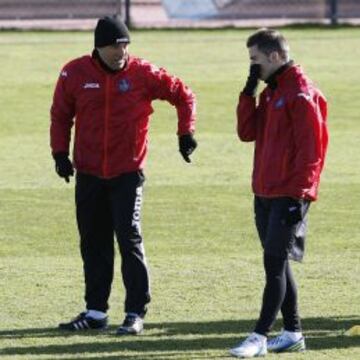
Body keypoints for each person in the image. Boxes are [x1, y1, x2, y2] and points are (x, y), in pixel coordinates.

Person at [50, 15, 197, 335]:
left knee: (129, 239)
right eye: (116, 47)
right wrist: (59, 153)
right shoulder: (73, 72)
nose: (122, 53)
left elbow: (183, 94)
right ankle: (95, 312)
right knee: (93, 241)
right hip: (88, 173)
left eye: (125, 45)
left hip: (127, 173)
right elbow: (61, 116)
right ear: (99, 47)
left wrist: (185, 132)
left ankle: (134, 313)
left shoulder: (143, 73)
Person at [229, 28, 328, 358]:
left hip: (289, 195)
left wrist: (300, 197)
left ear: (274, 56)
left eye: (255, 60)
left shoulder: (301, 93)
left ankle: (258, 337)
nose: (252, 67)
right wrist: (248, 92)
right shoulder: (270, 92)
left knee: (272, 264)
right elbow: (246, 133)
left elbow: (312, 151)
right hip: (264, 192)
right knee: (279, 264)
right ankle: (293, 332)